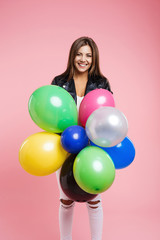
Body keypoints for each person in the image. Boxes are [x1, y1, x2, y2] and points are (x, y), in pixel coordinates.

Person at [51, 36, 113, 240]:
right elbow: (51, 117)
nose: (83, 59)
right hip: (66, 146)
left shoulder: (101, 83)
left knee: (94, 199)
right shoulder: (59, 83)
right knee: (65, 199)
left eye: (88, 55)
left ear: (94, 58)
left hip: (92, 148)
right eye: (79, 54)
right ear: (72, 56)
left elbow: (107, 118)